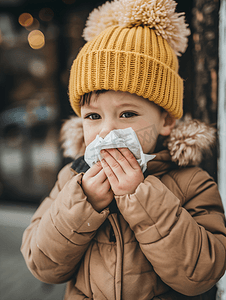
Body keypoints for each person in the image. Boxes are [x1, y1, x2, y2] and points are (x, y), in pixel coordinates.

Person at [21, 0, 226, 299]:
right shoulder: (71, 179)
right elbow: (42, 265)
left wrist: (141, 198)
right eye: (93, 116)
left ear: (166, 120)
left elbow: (201, 274)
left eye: (127, 114)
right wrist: (83, 204)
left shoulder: (191, 181)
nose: (106, 131)